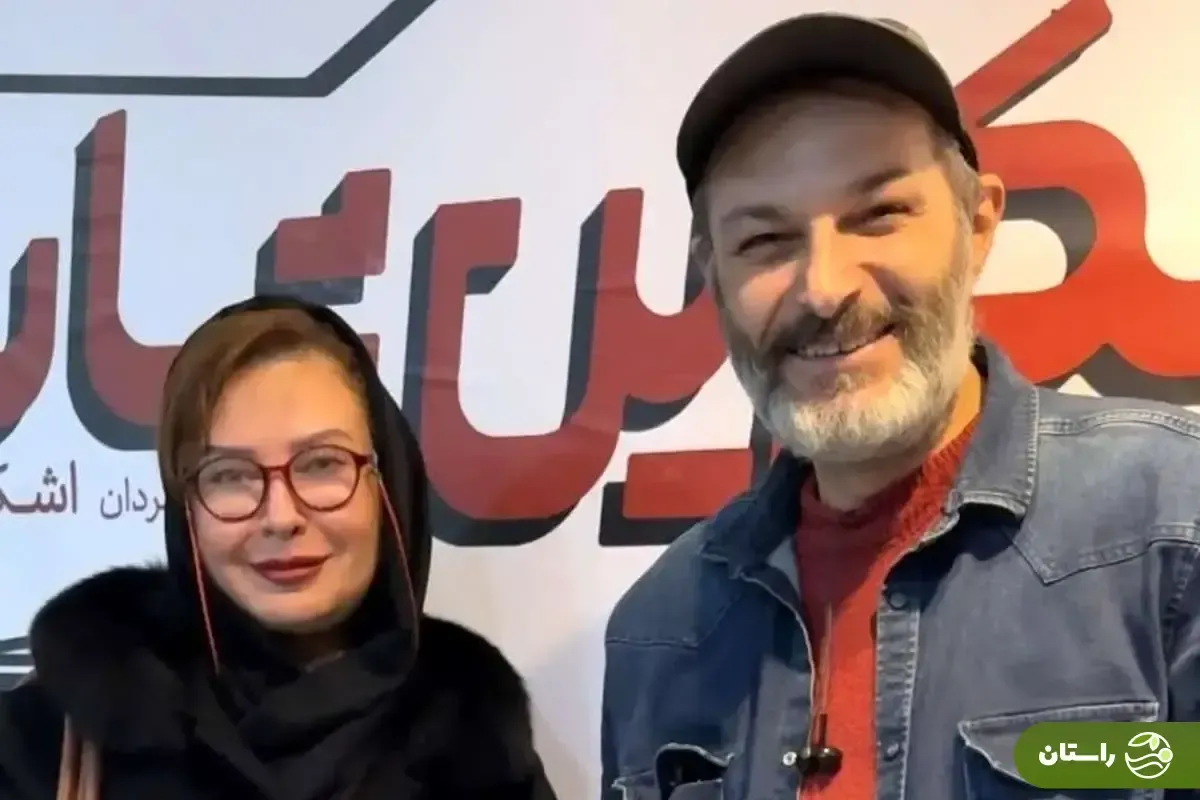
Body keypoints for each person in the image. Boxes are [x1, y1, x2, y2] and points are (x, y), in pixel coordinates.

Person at [600, 12, 1200, 800]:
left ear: (977, 224)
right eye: (765, 241)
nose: (824, 288)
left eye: (878, 215)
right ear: (714, 276)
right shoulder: (659, 629)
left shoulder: (1171, 525)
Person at [0, 296, 558, 799]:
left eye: (321, 464)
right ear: (186, 509)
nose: (280, 517)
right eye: (230, 475)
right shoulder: (55, 734)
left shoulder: (474, 748)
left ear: (387, 484)